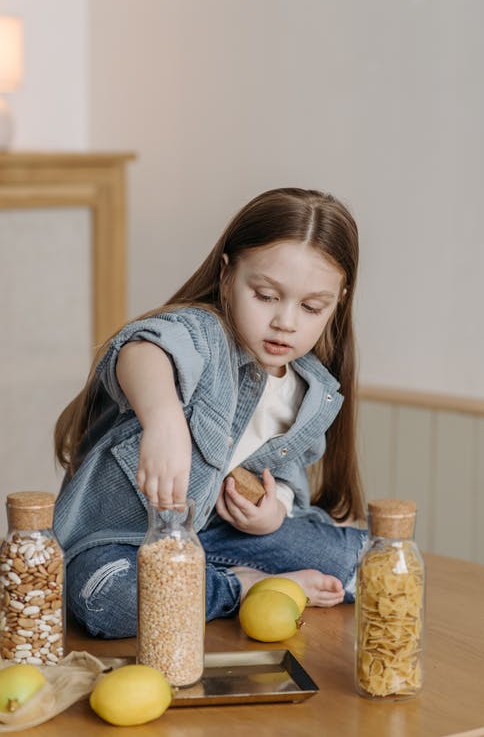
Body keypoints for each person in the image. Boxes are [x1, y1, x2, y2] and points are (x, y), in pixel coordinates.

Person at [54, 187, 368, 639]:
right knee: (112, 602)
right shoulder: (204, 333)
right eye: (265, 296)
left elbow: (281, 472)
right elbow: (141, 350)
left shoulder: (312, 392)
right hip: (123, 541)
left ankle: (215, 578)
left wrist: (273, 511)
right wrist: (164, 421)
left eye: (311, 307)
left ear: (338, 301)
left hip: (219, 535)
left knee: (365, 562)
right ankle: (239, 587)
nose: (286, 321)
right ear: (226, 277)